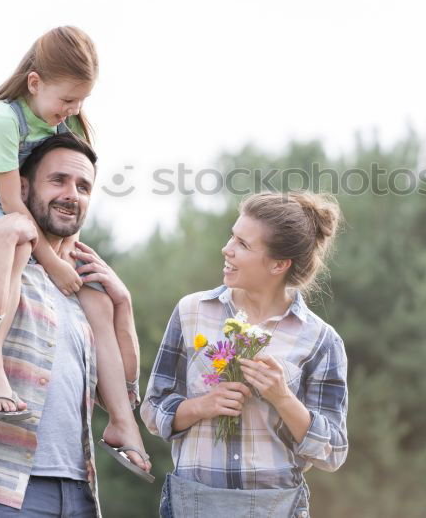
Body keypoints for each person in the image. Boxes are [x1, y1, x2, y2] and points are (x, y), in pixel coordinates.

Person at [0, 26, 149, 482]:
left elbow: (74, 177)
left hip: (23, 218)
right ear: (35, 83)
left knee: (92, 292)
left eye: (80, 102)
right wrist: (52, 262)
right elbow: (13, 203)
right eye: (67, 100)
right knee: (14, 234)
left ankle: (121, 420)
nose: (72, 112)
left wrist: (73, 258)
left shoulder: (63, 123)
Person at [142, 191, 349, 518]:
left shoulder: (321, 339)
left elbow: (332, 451)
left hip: (277, 508)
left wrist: (283, 399)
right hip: (193, 504)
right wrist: (201, 406)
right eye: (232, 236)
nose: (227, 249)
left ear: (279, 264)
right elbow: (153, 409)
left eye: (243, 244)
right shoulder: (191, 311)